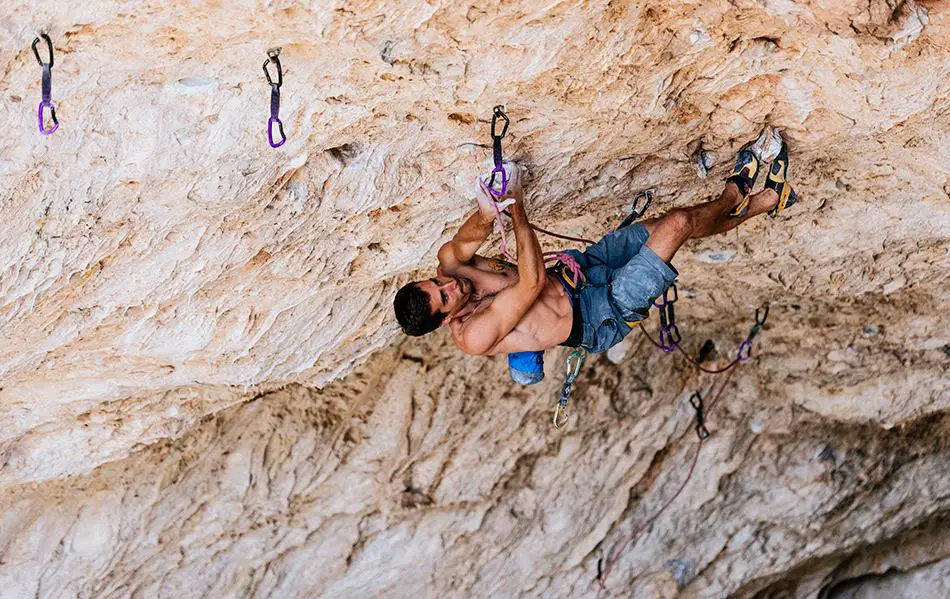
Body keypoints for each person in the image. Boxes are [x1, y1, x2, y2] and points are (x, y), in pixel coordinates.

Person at [393, 140, 796, 363]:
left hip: (584, 271)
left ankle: (765, 201)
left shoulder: (452, 273)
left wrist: (486, 212)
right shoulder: (474, 335)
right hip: (599, 314)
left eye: (435, 282)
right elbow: (531, 281)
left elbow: (460, 245)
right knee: (676, 225)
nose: (449, 285)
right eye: (445, 297)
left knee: (671, 229)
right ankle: (736, 190)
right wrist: (515, 204)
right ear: (447, 320)